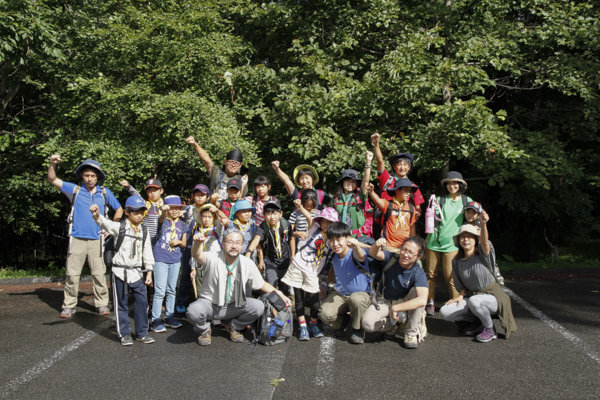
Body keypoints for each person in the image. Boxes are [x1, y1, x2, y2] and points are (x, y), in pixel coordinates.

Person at [186, 228, 292, 346]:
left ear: (242, 246)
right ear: (223, 243)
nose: (234, 246)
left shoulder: (247, 263)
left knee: (258, 306)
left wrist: (280, 293)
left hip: (232, 306)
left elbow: (262, 284)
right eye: (230, 242)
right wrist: (196, 244)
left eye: (237, 243)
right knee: (193, 311)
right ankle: (205, 330)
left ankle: (234, 326)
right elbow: (197, 255)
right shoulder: (213, 257)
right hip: (210, 304)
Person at [47, 155, 123, 318]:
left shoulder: (104, 192)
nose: (90, 179)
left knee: (99, 274)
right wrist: (53, 164)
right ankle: (69, 305)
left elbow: (119, 209)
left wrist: (111, 226)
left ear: (98, 177)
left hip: (98, 239)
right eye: (87, 175)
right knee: (72, 274)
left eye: (93, 176)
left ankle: (102, 304)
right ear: (82, 175)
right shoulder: (74, 190)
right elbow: (52, 179)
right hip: (77, 238)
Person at [439, 217, 517, 343]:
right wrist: (460, 296)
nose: (466, 239)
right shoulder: (456, 261)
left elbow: (485, 243)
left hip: (494, 297)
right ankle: (479, 322)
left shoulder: (483, 254)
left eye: (470, 236)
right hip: (475, 298)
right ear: (458, 240)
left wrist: (483, 224)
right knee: (445, 311)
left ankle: (490, 329)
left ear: (475, 239)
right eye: (462, 236)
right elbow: (461, 285)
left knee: (475, 301)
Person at [90, 196, 154, 345]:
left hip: (137, 272)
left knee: (142, 303)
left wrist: (149, 271)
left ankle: (142, 333)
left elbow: (147, 252)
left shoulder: (144, 230)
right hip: (120, 272)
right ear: (127, 212)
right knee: (122, 304)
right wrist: (97, 215)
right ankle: (124, 333)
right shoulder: (120, 227)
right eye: (136, 211)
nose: (139, 215)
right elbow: (105, 224)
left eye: (142, 212)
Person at [281, 202, 339, 341]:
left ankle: (313, 323)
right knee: (299, 299)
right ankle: (303, 326)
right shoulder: (314, 228)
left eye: (330, 223)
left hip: (313, 272)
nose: (326, 225)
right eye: (324, 221)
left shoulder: (334, 239)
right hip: (298, 265)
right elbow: (309, 217)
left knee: (314, 302)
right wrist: (300, 207)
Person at [362, 236, 429, 349]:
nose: (405, 254)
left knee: (417, 294)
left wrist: (396, 308)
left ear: (418, 257)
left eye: (410, 252)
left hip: (405, 305)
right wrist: (377, 245)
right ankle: (392, 325)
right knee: (367, 323)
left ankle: (410, 333)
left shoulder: (418, 273)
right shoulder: (391, 258)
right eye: (404, 249)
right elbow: (374, 253)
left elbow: (423, 300)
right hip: (386, 301)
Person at [424, 171, 473, 316]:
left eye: (455, 183)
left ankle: (457, 303)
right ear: (445, 185)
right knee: (430, 275)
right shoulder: (439, 199)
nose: (452, 186)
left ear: (460, 185)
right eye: (449, 183)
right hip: (433, 242)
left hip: (452, 245)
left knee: (451, 276)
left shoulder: (466, 201)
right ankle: (430, 302)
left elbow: (473, 216)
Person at [319, 222, 371, 344]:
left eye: (339, 239)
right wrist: (325, 285)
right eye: (331, 240)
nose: (335, 244)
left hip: (361, 294)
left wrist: (357, 246)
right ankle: (343, 323)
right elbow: (334, 270)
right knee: (324, 313)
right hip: (341, 293)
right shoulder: (335, 256)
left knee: (356, 300)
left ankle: (357, 329)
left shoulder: (355, 253)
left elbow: (361, 256)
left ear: (348, 238)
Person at [370, 133, 425, 239]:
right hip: (384, 224)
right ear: (394, 166)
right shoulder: (387, 179)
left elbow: (418, 208)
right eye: (399, 164)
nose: (402, 167)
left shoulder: (413, 186)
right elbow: (380, 162)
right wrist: (376, 144)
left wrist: (417, 214)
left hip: (404, 226)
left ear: (409, 168)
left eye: (405, 164)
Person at [175, 184, 219, 313]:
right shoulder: (188, 209)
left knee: (206, 277)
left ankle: (203, 303)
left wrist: (214, 203)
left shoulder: (210, 211)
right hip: (189, 247)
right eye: (197, 195)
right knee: (186, 275)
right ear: (193, 196)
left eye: (202, 195)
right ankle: (182, 302)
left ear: (207, 197)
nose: (199, 197)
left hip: (205, 250)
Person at [150, 196, 187, 333]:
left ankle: (170, 317)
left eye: (177, 207)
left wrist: (179, 242)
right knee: (160, 291)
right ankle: (155, 320)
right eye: (171, 208)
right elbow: (161, 218)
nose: (174, 210)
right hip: (160, 258)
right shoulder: (163, 220)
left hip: (175, 259)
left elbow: (184, 243)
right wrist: (163, 211)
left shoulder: (182, 224)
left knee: (172, 290)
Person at [246, 199, 295, 295]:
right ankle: (272, 308)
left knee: (284, 289)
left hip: (285, 261)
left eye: (274, 213)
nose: (272, 217)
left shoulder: (286, 224)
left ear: (281, 214)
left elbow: (291, 239)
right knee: (271, 287)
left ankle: (285, 308)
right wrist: (248, 252)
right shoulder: (263, 226)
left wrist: (292, 256)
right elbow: (257, 239)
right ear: (264, 215)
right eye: (268, 213)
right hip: (271, 262)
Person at [185, 136, 248, 201]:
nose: (233, 165)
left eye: (236, 163)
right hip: (213, 209)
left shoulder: (242, 180)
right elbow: (206, 159)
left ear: (240, 165)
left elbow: (243, 200)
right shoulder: (216, 173)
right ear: (225, 162)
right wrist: (195, 144)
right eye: (231, 162)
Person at [367, 178, 419, 251]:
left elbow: (412, 227)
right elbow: (378, 201)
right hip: (388, 247)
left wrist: (413, 243)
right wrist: (371, 192)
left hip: (404, 248)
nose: (409, 194)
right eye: (406, 190)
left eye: (410, 191)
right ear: (397, 190)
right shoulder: (388, 205)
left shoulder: (411, 208)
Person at [332, 151, 372, 238]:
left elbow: (365, 181)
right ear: (342, 182)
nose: (350, 183)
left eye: (353, 181)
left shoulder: (360, 196)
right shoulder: (336, 199)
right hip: (341, 237)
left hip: (359, 237)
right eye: (347, 180)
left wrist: (368, 163)